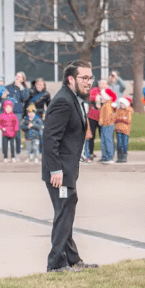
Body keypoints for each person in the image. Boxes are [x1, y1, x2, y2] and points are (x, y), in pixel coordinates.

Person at [42, 61, 98, 273]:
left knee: (67, 211)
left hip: (67, 171)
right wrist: (55, 170)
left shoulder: (73, 99)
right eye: (84, 78)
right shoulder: (63, 101)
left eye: (90, 78)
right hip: (59, 173)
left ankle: (72, 259)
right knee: (64, 213)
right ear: (71, 79)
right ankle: (56, 263)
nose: (89, 82)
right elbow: (50, 139)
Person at [6, 72, 29, 154]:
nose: (17, 78)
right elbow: (2, 96)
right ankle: (11, 152)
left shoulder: (24, 88)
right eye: (17, 76)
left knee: (17, 131)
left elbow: (25, 98)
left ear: (23, 79)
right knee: (9, 131)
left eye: (20, 77)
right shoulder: (9, 87)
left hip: (18, 112)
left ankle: (18, 150)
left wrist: (21, 88)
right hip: (8, 112)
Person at [98, 90, 116, 164]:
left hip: (107, 125)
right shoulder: (105, 104)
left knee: (108, 140)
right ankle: (105, 156)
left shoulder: (107, 105)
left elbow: (108, 117)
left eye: (102, 96)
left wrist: (103, 122)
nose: (101, 97)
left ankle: (109, 157)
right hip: (105, 125)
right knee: (104, 141)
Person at [113, 97, 132, 163]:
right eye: (121, 104)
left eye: (123, 104)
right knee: (119, 144)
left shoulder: (128, 111)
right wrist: (122, 118)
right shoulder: (118, 110)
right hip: (118, 129)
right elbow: (115, 118)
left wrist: (121, 119)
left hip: (126, 130)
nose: (122, 105)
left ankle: (124, 157)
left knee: (125, 144)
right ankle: (119, 157)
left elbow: (128, 120)